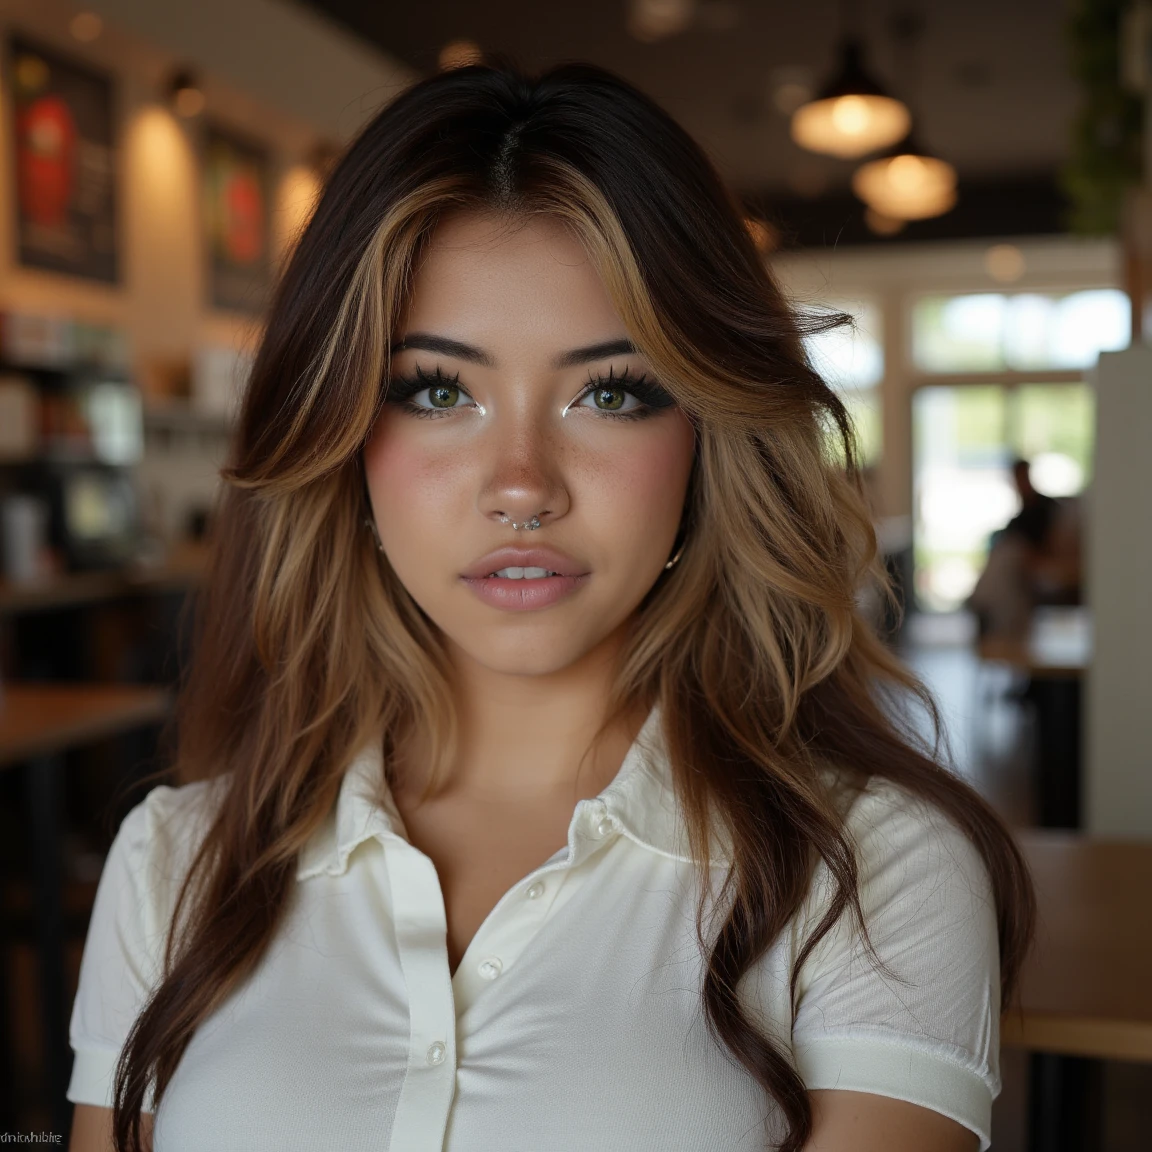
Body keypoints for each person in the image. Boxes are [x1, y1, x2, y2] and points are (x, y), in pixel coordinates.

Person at [66, 61, 1033, 1152]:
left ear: (707, 437)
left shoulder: (873, 873)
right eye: (437, 390)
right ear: (342, 438)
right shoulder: (176, 864)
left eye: (611, 392)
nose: (522, 483)